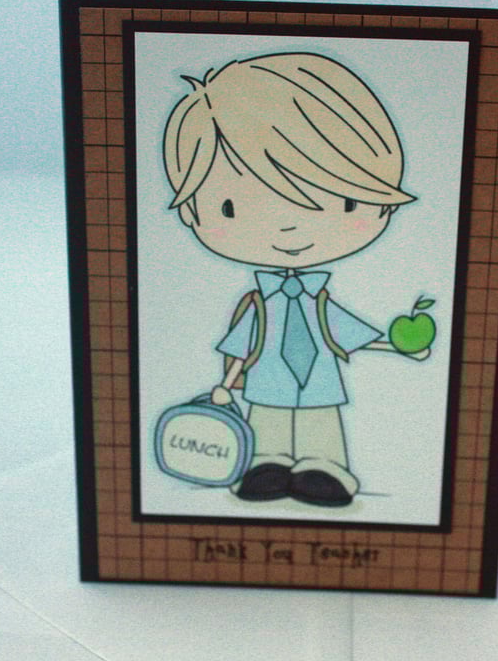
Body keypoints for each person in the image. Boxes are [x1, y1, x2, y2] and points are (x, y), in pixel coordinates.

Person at [162, 52, 416, 507]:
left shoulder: (318, 299)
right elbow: (243, 345)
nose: (289, 226)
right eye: (230, 208)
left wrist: (396, 344)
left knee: (321, 423)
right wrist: (228, 383)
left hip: (319, 378)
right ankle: (267, 462)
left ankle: (325, 467)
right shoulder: (259, 303)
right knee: (268, 421)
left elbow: (343, 331)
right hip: (268, 379)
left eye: (345, 201)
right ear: (190, 212)